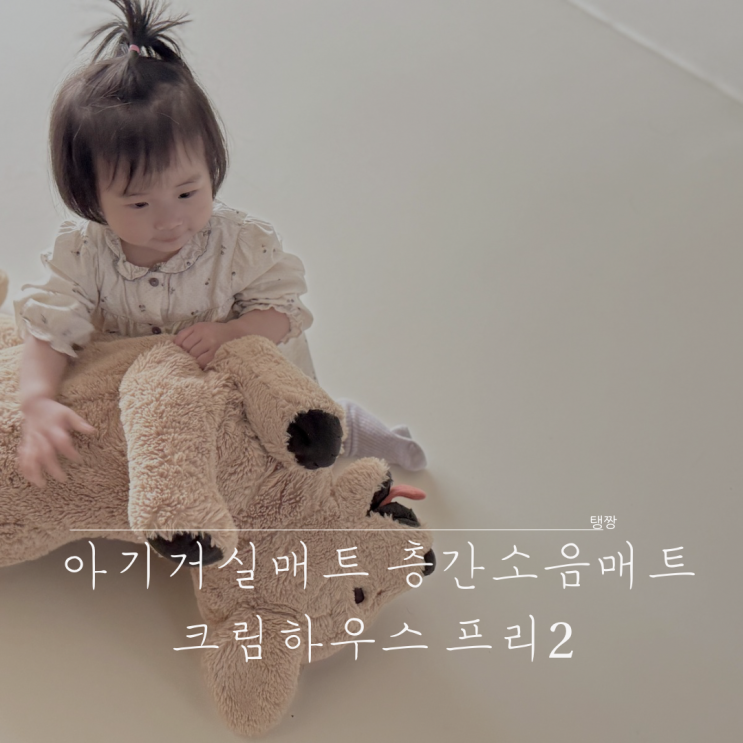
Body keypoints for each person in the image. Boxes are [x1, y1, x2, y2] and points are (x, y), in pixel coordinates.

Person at [14, 0, 426, 489]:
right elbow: (49, 331)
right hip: (154, 394)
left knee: (284, 446)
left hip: (242, 379)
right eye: (139, 203)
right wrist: (37, 400)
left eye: (188, 192)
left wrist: (233, 333)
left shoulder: (239, 245)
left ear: (210, 167)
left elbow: (283, 313)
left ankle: (349, 427)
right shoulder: (86, 255)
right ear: (90, 196)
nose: (171, 219)